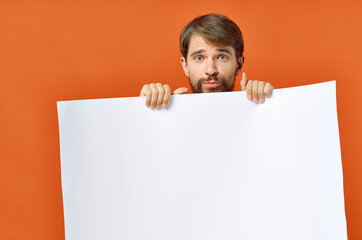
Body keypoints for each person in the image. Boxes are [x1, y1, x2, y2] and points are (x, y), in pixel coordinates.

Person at [140, 13, 275, 109]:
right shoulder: (162, 115)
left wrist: (270, 105)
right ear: (185, 65)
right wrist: (146, 110)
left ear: (239, 65)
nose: (210, 70)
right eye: (199, 58)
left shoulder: (261, 110)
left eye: (222, 57)